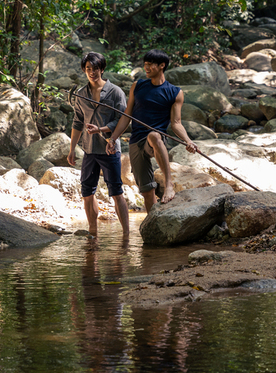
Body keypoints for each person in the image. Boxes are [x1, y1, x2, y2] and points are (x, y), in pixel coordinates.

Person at [106, 49, 198, 212]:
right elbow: (127, 115)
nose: (146, 68)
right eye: (145, 65)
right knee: (147, 192)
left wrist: (188, 141)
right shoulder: (138, 86)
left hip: (155, 141)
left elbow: (176, 123)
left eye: (150, 65)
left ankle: (169, 184)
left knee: (155, 136)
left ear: (162, 66)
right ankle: (152, 226)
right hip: (136, 140)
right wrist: (113, 138)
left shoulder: (175, 92)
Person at [67, 52, 130, 237]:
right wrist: (72, 149)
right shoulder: (81, 94)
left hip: (109, 149)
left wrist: (101, 129)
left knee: (116, 192)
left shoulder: (115, 92)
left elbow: (123, 120)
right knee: (87, 192)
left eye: (95, 69)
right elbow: (77, 122)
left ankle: (126, 235)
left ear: (102, 69)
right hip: (88, 150)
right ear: (84, 71)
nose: (92, 72)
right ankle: (92, 232)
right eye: (88, 69)